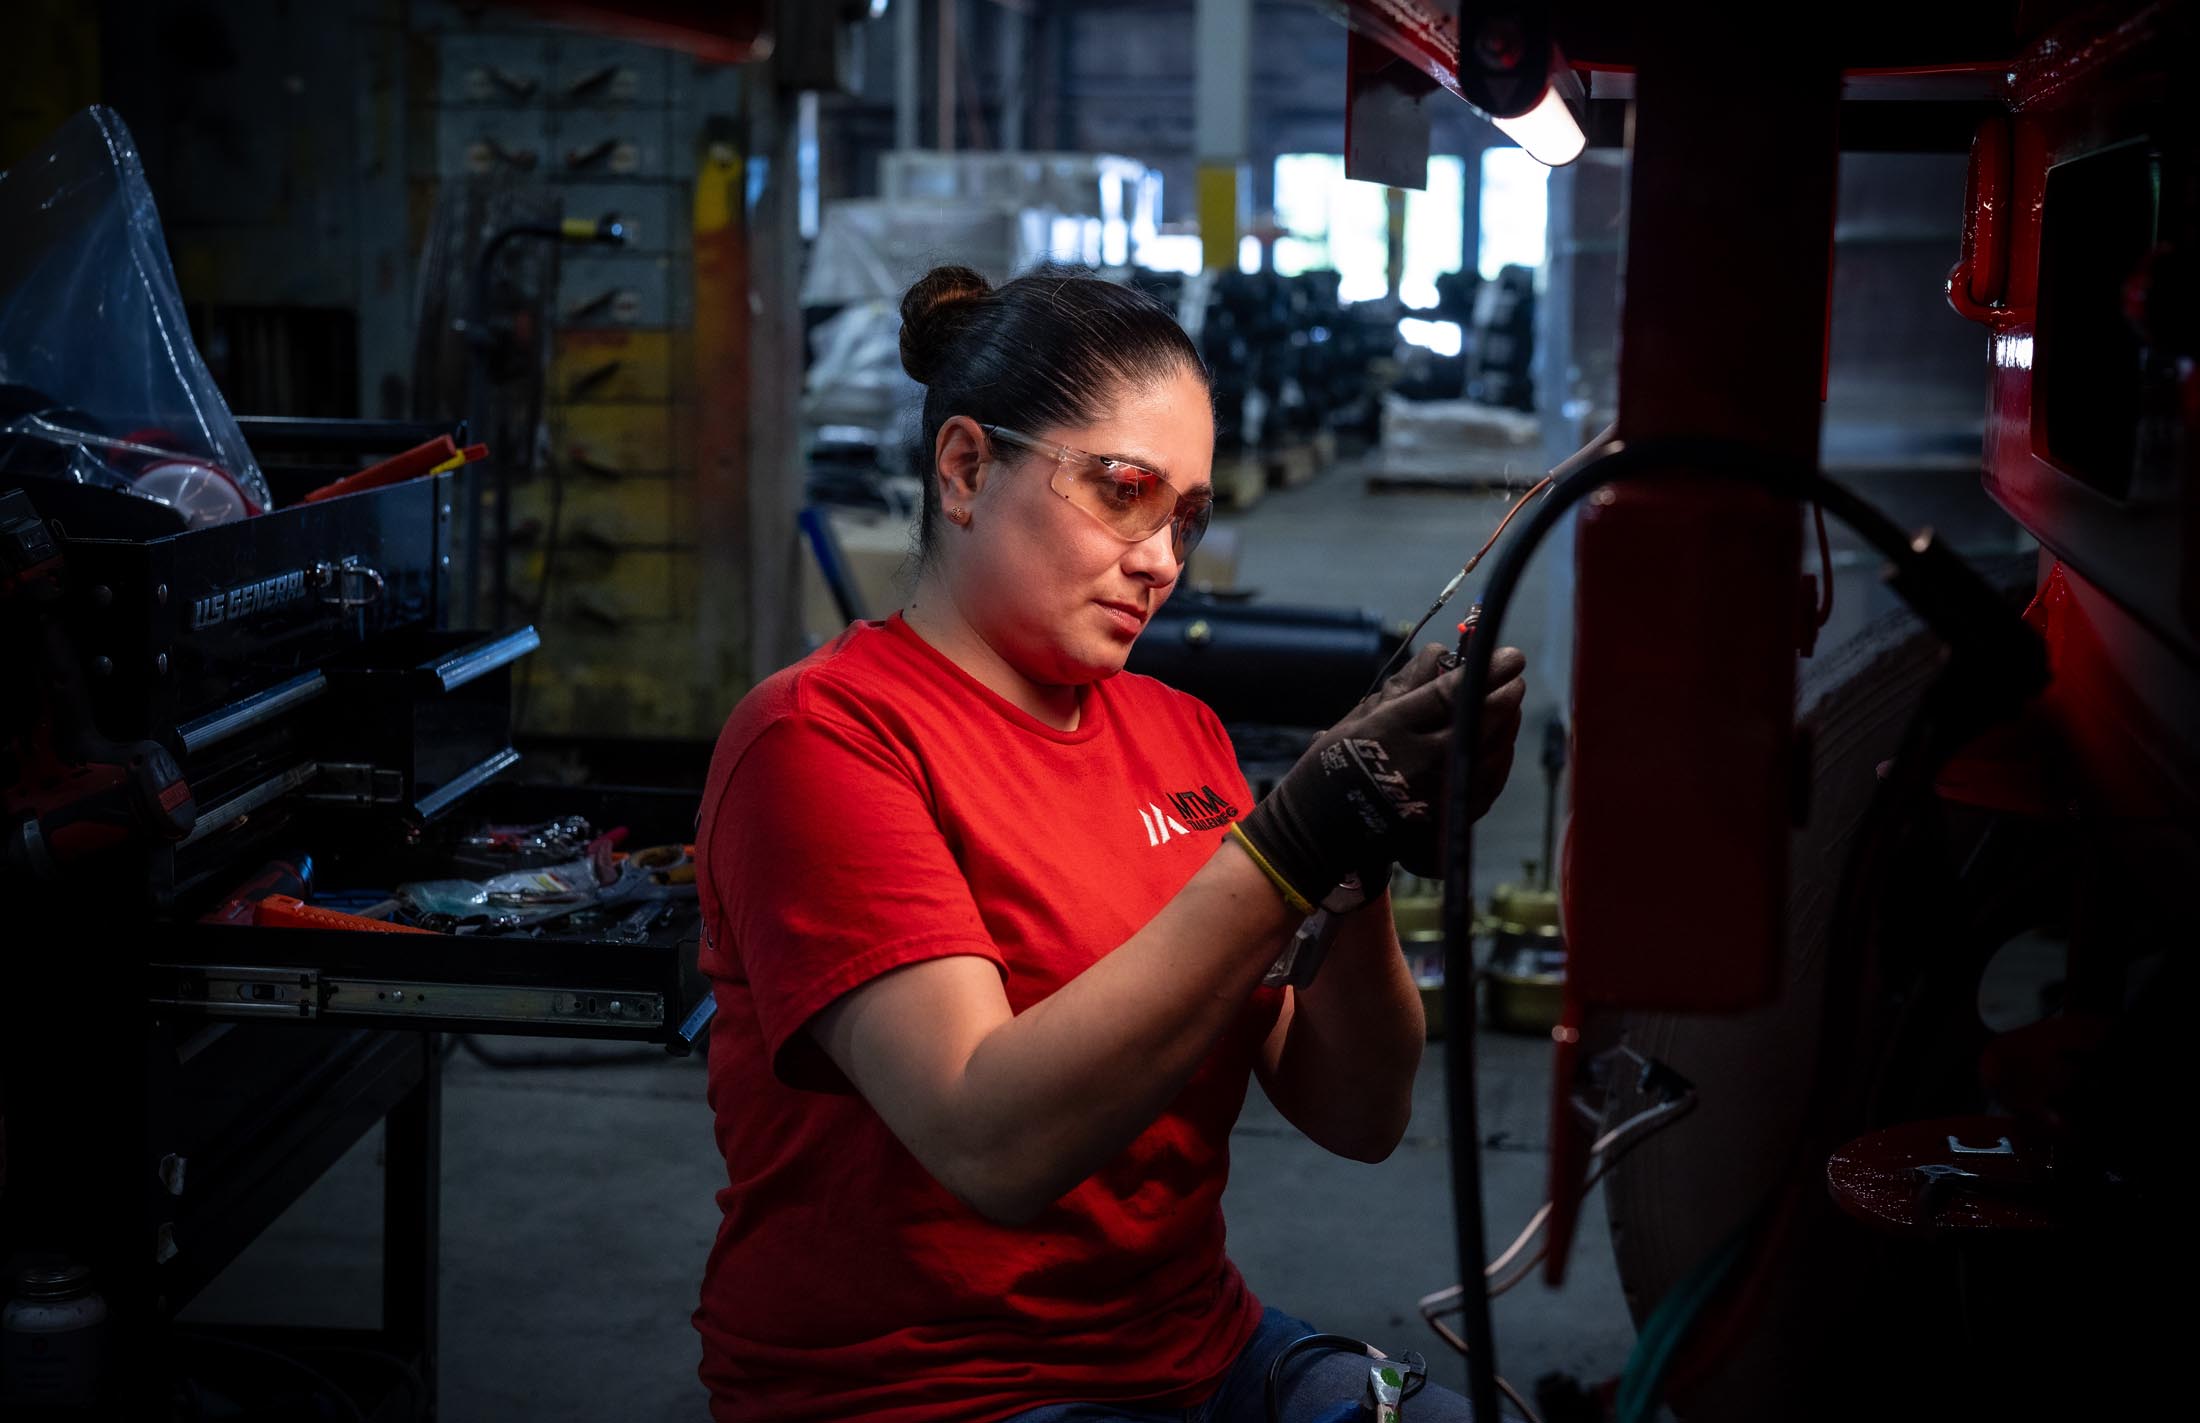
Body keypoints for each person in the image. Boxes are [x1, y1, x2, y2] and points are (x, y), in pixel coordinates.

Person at [693, 263, 1528, 1422]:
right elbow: (990, 1144)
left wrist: (1359, 858)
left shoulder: (1177, 732)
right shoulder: (822, 739)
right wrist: (1283, 849)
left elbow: (1358, 1115)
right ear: (967, 468)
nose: (1161, 559)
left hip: (1191, 1349)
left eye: (1186, 516)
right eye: (1122, 492)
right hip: (921, 1387)